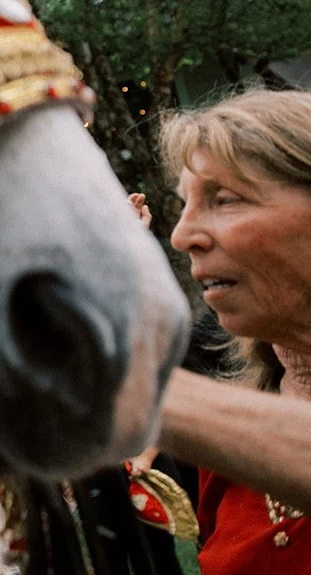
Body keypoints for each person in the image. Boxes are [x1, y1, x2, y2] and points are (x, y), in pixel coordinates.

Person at [157, 88, 311, 571]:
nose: (183, 236)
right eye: (184, 205)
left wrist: (129, 392)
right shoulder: (226, 453)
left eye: (224, 200)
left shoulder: (220, 428)